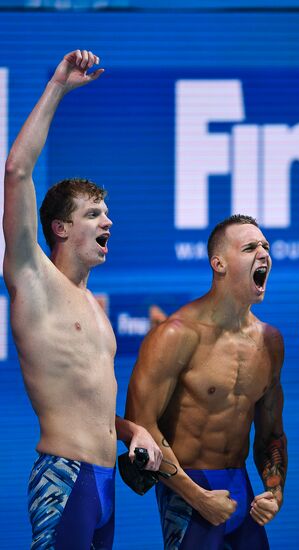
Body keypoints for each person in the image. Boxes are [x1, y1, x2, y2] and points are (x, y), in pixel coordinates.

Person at [3, 50, 162, 549]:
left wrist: (132, 430)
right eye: (94, 214)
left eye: (107, 213)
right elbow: (16, 172)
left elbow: (92, 406)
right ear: (60, 227)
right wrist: (57, 86)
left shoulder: (95, 308)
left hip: (103, 484)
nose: (108, 222)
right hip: (64, 478)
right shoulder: (33, 278)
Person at [125, 214, 287, 549]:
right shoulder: (176, 334)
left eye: (266, 246)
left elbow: (271, 432)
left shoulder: (270, 341)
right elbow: (141, 425)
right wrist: (197, 497)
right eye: (250, 247)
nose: (263, 253)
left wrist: (274, 490)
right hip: (188, 490)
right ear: (219, 264)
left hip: (241, 488)